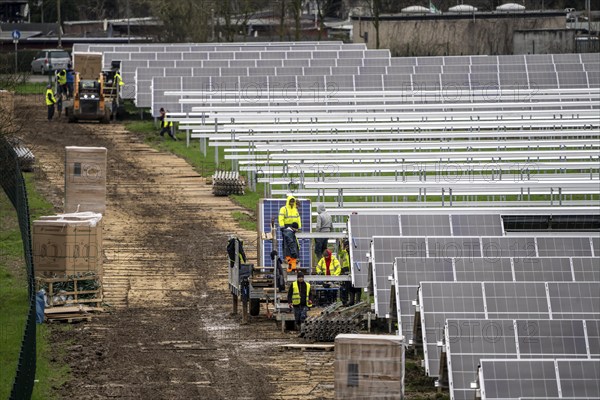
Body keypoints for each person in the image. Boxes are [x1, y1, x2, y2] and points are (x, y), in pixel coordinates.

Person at [338, 238, 352, 306]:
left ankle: (352, 300)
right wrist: (339, 245)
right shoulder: (344, 252)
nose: (347, 247)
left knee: (352, 287)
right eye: (346, 246)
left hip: (352, 269)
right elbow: (340, 253)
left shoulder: (353, 252)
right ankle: (345, 301)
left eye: (348, 245)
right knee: (346, 287)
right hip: (346, 269)